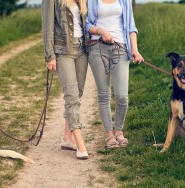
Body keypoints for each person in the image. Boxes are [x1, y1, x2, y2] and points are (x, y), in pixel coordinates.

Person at [86, 0, 144, 148]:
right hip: (97, 47)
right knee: (104, 94)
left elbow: (131, 26)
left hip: (120, 47)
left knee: (122, 96)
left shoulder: (124, 1)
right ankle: (109, 134)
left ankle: (119, 131)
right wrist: (102, 32)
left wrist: (134, 50)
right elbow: (86, 24)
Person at [41, 0, 88, 159]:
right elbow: (47, 28)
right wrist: (50, 56)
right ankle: (79, 142)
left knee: (78, 93)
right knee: (71, 96)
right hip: (63, 51)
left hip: (82, 49)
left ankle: (67, 139)